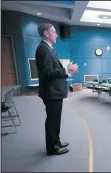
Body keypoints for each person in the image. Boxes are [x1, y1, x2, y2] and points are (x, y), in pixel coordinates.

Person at [35, 23, 78, 155]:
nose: (57, 35)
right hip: (51, 92)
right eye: (54, 32)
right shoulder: (44, 49)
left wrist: (66, 70)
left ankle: (56, 141)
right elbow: (48, 73)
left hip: (53, 92)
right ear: (46, 34)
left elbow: (52, 69)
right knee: (52, 121)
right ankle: (52, 148)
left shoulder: (48, 49)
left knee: (55, 120)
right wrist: (66, 70)